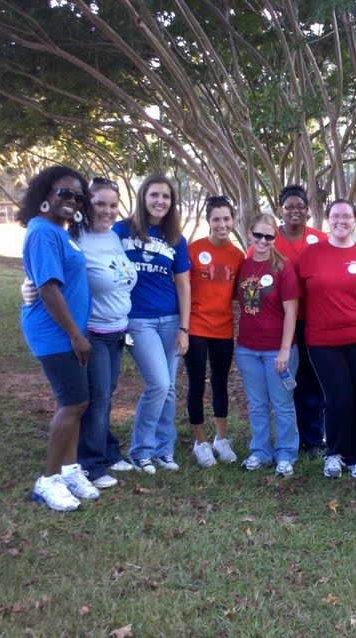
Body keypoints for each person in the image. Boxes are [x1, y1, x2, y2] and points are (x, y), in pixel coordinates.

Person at [20, 178, 139, 488]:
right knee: (88, 400)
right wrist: (27, 286)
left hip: (116, 329)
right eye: (99, 203)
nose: (107, 210)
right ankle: (90, 465)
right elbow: (46, 278)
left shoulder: (112, 237)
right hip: (89, 331)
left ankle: (92, 459)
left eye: (113, 205)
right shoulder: (69, 233)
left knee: (100, 397)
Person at [18, 165, 98, 511]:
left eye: (78, 196)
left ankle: (69, 469)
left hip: (67, 333)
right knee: (75, 402)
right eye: (64, 192)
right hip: (55, 334)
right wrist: (75, 335)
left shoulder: (60, 232)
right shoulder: (42, 232)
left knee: (73, 401)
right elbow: (48, 289)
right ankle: (47, 481)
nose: (72, 200)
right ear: (46, 194)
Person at [295, 199, 356, 479]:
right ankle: (334, 453)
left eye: (347, 216)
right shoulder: (311, 254)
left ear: (355, 220)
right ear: (327, 220)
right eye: (335, 216)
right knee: (337, 398)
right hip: (322, 339)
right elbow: (292, 295)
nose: (341, 221)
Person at [114, 175, 191, 475]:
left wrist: (185, 328)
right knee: (158, 383)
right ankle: (141, 450)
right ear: (143, 197)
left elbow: (183, 286)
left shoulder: (175, 238)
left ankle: (164, 449)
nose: (161, 201)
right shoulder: (120, 231)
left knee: (169, 387)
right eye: (155, 195)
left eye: (167, 197)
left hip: (170, 320)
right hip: (138, 320)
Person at [250, 185, 328, 456]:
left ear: (307, 210)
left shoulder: (320, 239)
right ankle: (290, 439)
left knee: (312, 381)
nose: (295, 211)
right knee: (287, 382)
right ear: (280, 209)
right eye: (289, 206)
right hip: (279, 324)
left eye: (300, 206)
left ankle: (314, 439)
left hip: (314, 321)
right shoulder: (270, 239)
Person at [235, 213, 301, 476]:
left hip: (277, 349)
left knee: (282, 403)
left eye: (269, 236)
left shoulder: (283, 269)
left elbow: (291, 313)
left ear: (275, 238)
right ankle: (260, 451)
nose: (262, 241)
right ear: (250, 234)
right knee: (257, 403)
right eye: (258, 235)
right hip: (247, 348)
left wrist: (285, 350)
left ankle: (286, 453)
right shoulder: (243, 266)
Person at [184, 195, 245, 467]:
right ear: (208, 222)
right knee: (197, 384)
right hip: (196, 327)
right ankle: (201, 442)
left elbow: (236, 294)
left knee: (220, 383)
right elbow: (182, 288)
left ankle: (221, 438)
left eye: (226, 219)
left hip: (223, 328)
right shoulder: (194, 249)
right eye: (216, 219)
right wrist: (183, 328)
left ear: (233, 221)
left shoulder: (238, 255)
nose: (222, 224)